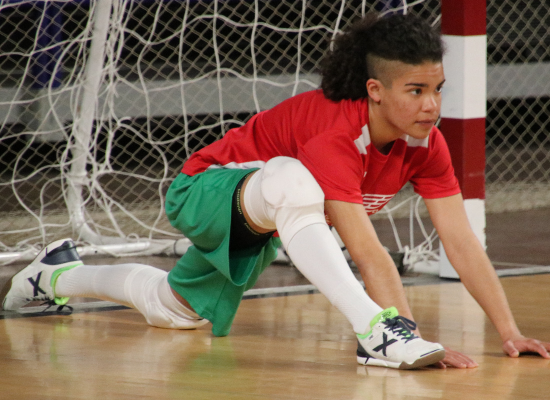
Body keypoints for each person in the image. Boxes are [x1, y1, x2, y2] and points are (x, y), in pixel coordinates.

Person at [2, 13, 549, 370]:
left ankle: (53, 275)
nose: (432, 105)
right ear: (375, 91)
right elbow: (367, 253)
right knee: (293, 175)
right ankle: (377, 332)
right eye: (416, 90)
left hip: (268, 215)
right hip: (204, 191)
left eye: (437, 89)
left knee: (176, 310)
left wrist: (509, 331)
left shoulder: (426, 144)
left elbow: (461, 241)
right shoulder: (336, 133)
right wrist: (403, 334)